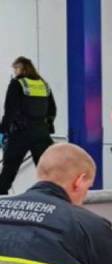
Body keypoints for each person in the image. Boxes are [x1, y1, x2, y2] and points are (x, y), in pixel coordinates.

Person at [0, 57, 57, 194]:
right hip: (41, 133)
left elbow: (10, 110)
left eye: (15, 68)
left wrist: (3, 130)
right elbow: (52, 109)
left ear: (21, 68)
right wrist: (47, 127)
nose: (14, 72)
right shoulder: (43, 84)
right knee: (46, 169)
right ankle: (52, 197)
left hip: (21, 132)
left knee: (9, 169)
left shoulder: (17, 83)